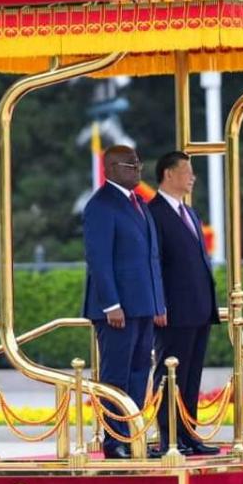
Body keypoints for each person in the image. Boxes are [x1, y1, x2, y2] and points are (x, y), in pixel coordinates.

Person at [82, 145, 167, 459]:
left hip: (143, 306)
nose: (138, 169)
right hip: (116, 310)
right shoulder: (101, 205)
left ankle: (134, 439)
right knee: (115, 375)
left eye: (139, 163)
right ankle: (114, 440)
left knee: (138, 373)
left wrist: (159, 304)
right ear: (111, 168)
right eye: (131, 165)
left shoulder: (140, 204)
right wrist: (110, 305)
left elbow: (151, 259)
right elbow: (99, 259)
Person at [148, 151, 221, 457]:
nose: (192, 177)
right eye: (186, 171)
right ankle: (169, 439)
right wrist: (158, 304)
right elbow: (153, 263)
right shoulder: (152, 212)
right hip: (172, 311)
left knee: (191, 376)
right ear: (168, 174)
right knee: (169, 376)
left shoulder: (189, 213)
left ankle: (190, 435)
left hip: (199, 308)